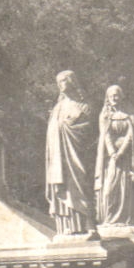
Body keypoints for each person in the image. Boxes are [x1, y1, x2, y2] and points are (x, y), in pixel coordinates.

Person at [46, 71, 96, 235]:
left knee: (80, 184)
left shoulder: (84, 105)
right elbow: (52, 131)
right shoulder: (58, 107)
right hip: (59, 156)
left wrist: (66, 127)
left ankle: (86, 225)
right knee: (64, 187)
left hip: (76, 154)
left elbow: (87, 129)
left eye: (63, 81)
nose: (60, 84)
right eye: (58, 82)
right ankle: (68, 225)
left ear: (72, 82)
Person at [95, 82, 134, 229]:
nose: (114, 98)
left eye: (116, 95)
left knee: (126, 188)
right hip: (111, 158)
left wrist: (121, 152)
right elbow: (105, 133)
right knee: (108, 189)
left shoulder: (130, 113)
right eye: (111, 95)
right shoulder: (105, 114)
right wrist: (112, 152)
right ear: (107, 98)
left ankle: (125, 219)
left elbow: (131, 134)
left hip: (127, 157)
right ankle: (109, 219)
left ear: (121, 96)